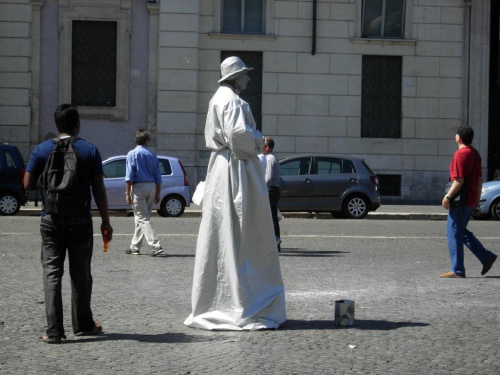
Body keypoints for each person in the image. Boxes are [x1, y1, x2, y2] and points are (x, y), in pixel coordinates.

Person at [184, 56, 286, 330]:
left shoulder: (217, 98)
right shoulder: (234, 102)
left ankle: (217, 300)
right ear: (235, 77)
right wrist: (259, 138)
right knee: (243, 232)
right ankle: (241, 301)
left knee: (220, 232)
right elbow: (240, 137)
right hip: (236, 168)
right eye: (245, 75)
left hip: (221, 167)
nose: (248, 79)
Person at [24, 104, 113, 343]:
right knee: (81, 275)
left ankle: (54, 331)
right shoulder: (89, 150)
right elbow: (99, 190)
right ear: (77, 124)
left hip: (50, 220)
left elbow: (27, 185)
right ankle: (84, 324)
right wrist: (106, 221)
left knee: (52, 274)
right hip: (80, 221)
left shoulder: (42, 150)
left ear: (57, 125)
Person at [441, 127, 497, 278]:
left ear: (458, 138)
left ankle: (457, 269)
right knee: (461, 232)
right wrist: (476, 201)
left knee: (453, 232)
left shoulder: (460, 155)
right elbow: (479, 180)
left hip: (460, 200)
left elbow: (459, 180)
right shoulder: (475, 154)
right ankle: (486, 257)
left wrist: (447, 197)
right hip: (470, 199)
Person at [124, 129, 163, 256]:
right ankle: (135, 246)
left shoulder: (132, 154)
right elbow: (158, 177)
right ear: (146, 141)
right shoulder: (152, 155)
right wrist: (157, 193)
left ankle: (155, 245)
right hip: (151, 186)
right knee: (141, 218)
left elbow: (129, 176)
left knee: (142, 218)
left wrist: (127, 193)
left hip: (138, 187)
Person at [259, 136, 282, 249]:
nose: (261, 148)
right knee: (273, 218)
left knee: (263, 216)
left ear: (267, 147)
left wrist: (262, 190)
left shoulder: (268, 159)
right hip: (275, 189)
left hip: (270, 189)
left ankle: (269, 242)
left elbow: (267, 177)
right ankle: (276, 242)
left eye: (262, 146)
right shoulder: (272, 157)